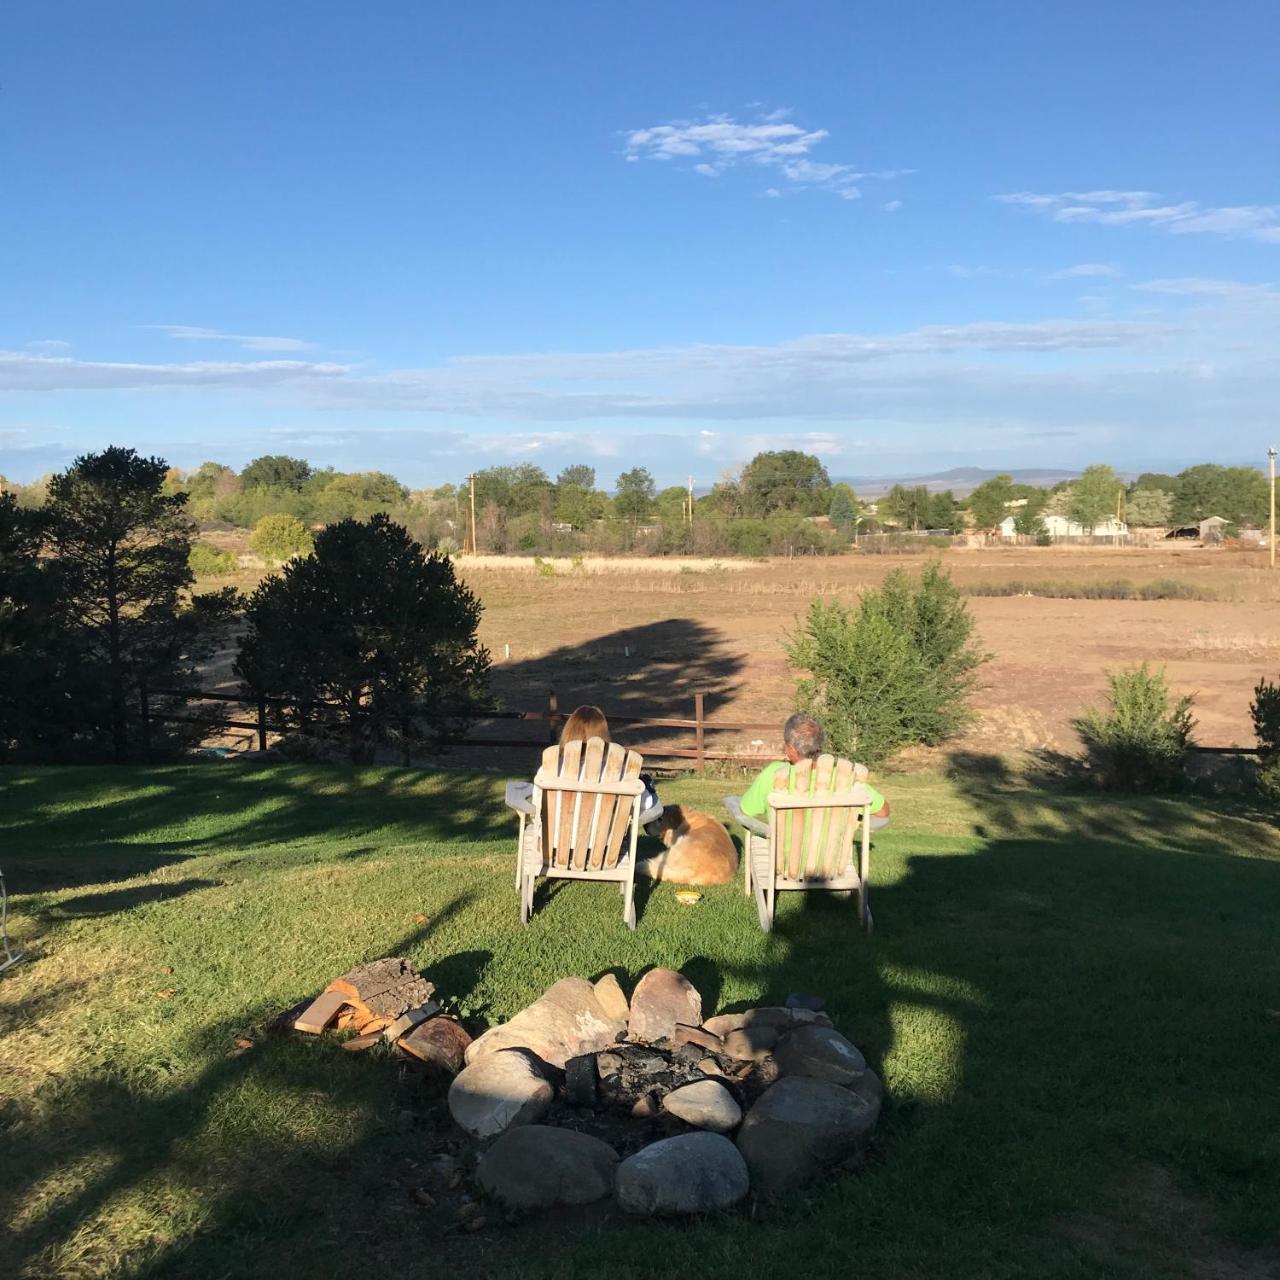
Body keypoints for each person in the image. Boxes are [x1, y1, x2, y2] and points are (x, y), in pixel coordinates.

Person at [504, 704, 662, 823]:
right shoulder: (618, 771)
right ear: (603, 734)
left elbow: (537, 803)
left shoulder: (551, 766)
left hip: (553, 849)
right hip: (604, 854)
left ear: (569, 731)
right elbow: (650, 806)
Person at [737, 712, 890, 828]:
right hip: (833, 865)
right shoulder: (843, 777)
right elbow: (883, 812)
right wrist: (854, 823)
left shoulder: (775, 774)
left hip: (783, 863)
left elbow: (745, 811)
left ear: (790, 748)